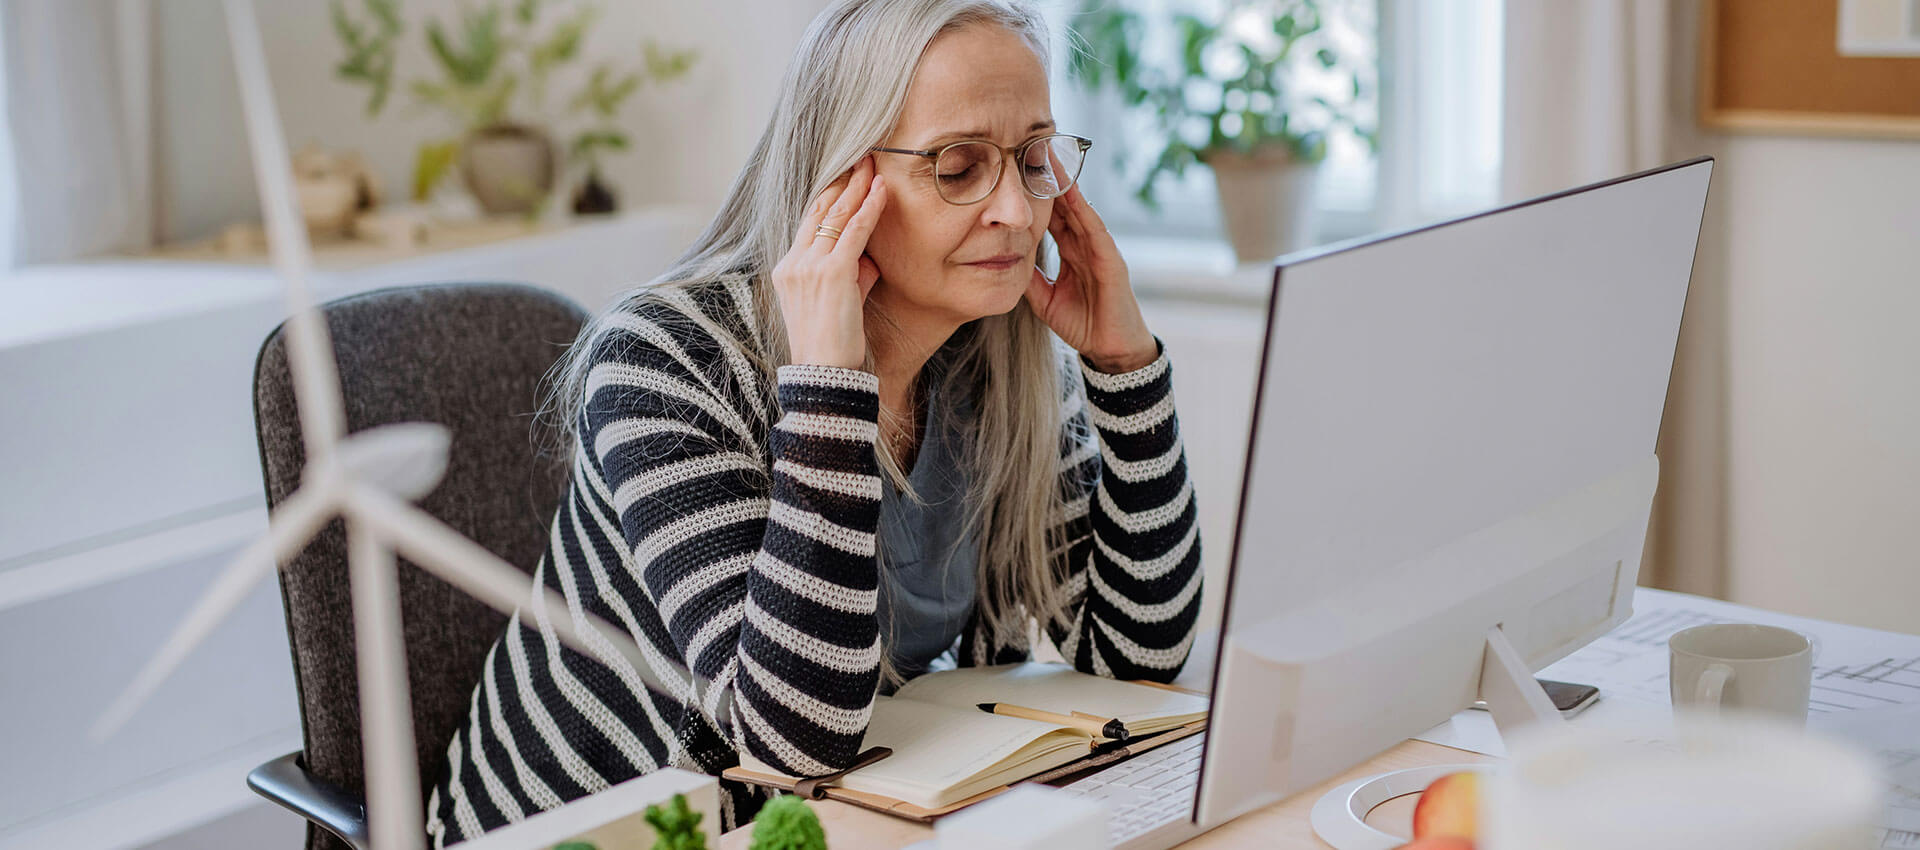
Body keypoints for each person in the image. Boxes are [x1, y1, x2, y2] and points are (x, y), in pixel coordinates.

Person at [424, 0, 1202, 843]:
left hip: (828, 819)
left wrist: (1126, 374)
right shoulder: (664, 361)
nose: (1016, 210)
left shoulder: (996, 361)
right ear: (841, 181)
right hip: (598, 833)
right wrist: (829, 385)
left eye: (1032, 156)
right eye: (959, 165)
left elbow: (1133, 659)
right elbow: (794, 735)